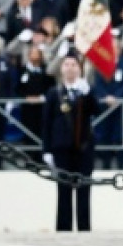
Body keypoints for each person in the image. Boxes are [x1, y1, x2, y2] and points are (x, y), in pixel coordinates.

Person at [41, 53, 97, 231]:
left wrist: (87, 93)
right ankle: (63, 230)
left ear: (80, 69)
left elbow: (96, 110)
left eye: (74, 65)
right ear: (61, 69)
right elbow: (46, 123)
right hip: (61, 148)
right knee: (63, 191)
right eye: (67, 64)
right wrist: (46, 150)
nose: (70, 68)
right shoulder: (54, 93)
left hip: (84, 148)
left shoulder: (85, 90)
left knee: (84, 192)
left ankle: (84, 229)